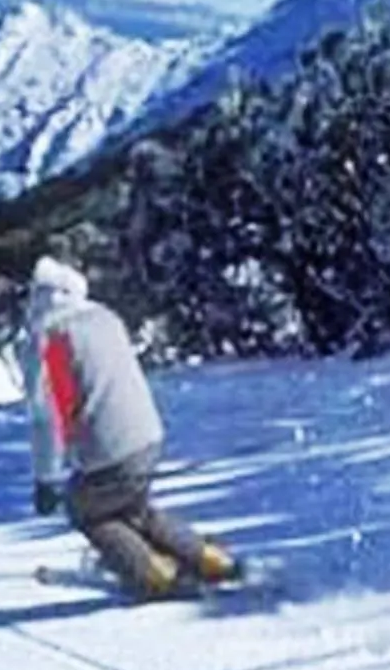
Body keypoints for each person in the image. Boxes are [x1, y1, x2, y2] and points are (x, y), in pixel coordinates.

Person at [21, 256, 241, 600]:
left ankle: (152, 573)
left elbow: (48, 417)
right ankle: (211, 560)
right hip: (147, 437)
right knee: (133, 509)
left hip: (109, 450)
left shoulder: (51, 338)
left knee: (86, 509)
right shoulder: (104, 318)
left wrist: (46, 478)